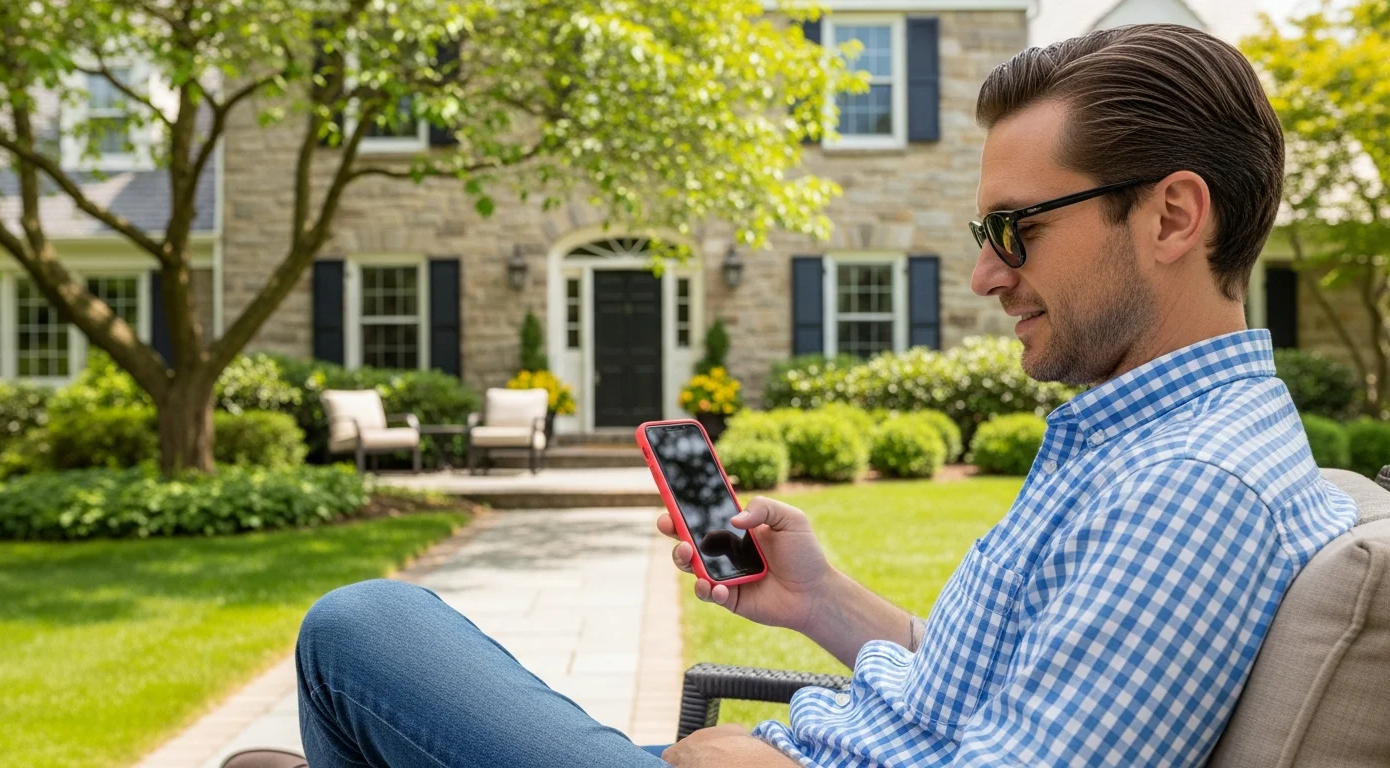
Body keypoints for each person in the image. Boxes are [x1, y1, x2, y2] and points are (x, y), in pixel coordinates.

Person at [246, 22, 1358, 768]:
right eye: (983, 233)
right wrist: (822, 601)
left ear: (1171, 217)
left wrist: (741, 759)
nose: (983, 273)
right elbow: (1007, 696)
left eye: (1018, 228)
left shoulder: (1189, 488)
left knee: (359, 630)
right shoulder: (1160, 442)